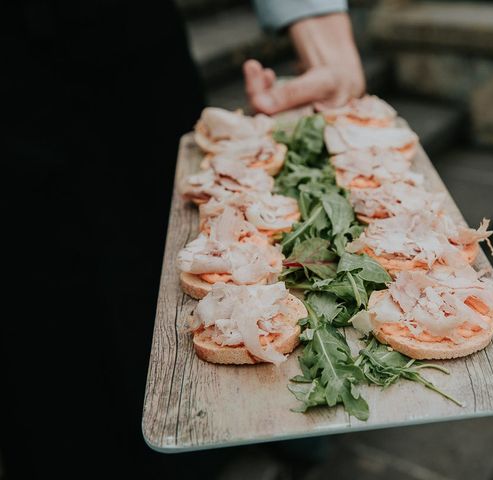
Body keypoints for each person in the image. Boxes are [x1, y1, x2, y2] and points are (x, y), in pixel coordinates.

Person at [0, 0, 364, 478]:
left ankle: (243, 429)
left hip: (130, 47)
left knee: (172, 251)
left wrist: (319, 29)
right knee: (40, 319)